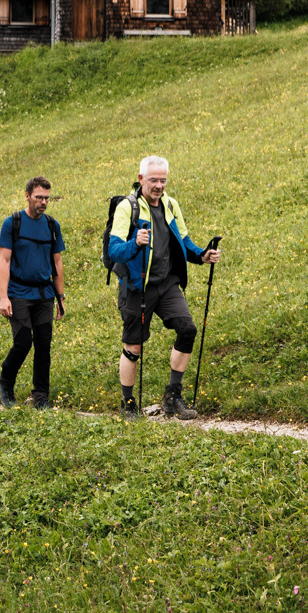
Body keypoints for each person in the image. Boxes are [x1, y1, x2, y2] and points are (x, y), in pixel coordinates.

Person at [106, 155, 220, 420]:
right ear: (141, 179)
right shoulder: (128, 208)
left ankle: (172, 396)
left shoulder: (170, 204)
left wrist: (202, 255)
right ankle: (128, 403)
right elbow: (114, 251)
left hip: (167, 284)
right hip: (137, 286)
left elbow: (183, 240)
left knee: (187, 329)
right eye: (154, 180)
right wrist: (135, 243)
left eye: (163, 180)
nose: (159, 185)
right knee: (133, 347)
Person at [0, 176, 65, 409]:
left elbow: (57, 263)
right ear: (27, 196)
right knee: (24, 341)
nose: (43, 202)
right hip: (18, 293)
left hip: (44, 294)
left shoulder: (51, 225)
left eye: (46, 198)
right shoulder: (12, 223)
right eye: (38, 197)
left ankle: (41, 397)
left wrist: (60, 297)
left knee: (44, 345)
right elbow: (4, 261)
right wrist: (4, 297)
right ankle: (6, 382)